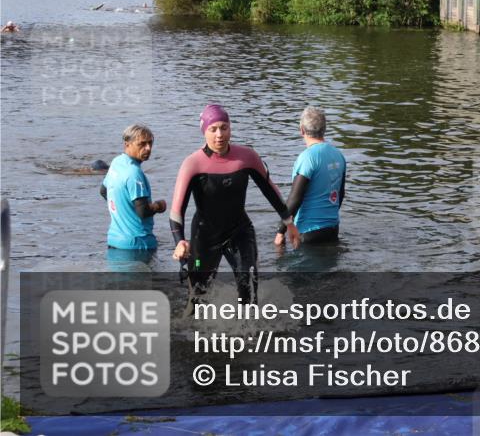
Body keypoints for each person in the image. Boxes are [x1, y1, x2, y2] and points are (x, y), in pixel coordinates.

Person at [170, 104, 300, 305]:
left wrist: (289, 223)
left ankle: (249, 334)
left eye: (224, 127)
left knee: (249, 289)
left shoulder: (247, 157)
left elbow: (270, 190)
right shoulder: (192, 164)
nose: (219, 134)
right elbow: (177, 210)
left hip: (239, 231)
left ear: (230, 128)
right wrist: (179, 241)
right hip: (204, 236)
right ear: (204, 131)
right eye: (213, 129)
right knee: (197, 298)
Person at [275, 106, 347, 247]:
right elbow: (340, 194)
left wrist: (280, 231)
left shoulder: (307, 158)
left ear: (301, 130)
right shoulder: (339, 155)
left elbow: (295, 199)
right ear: (324, 129)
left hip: (308, 232)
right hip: (332, 229)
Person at [100, 124, 166, 251]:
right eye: (142, 144)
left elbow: (103, 191)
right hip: (138, 244)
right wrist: (159, 206)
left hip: (114, 240)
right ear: (127, 144)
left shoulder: (116, 163)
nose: (148, 148)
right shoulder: (134, 173)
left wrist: (122, 209)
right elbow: (143, 211)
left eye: (150, 143)